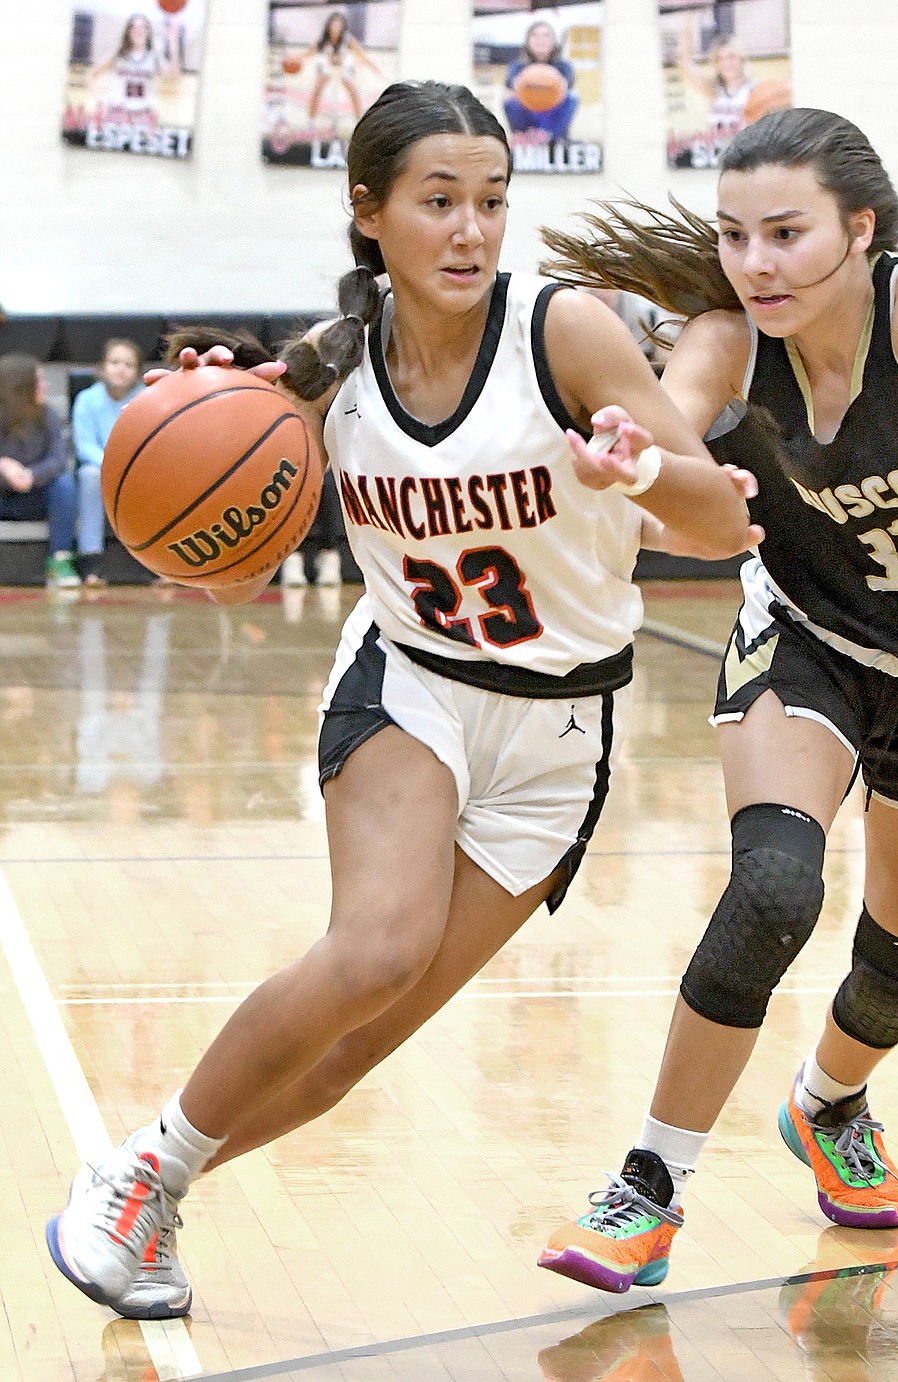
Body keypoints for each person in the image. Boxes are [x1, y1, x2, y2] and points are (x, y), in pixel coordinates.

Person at [44, 79, 759, 1321]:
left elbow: (720, 515)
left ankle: (160, 1186)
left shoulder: (566, 331)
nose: (472, 230)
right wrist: (211, 455)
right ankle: (135, 1170)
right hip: (413, 682)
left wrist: (636, 465)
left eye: (490, 200)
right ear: (369, 212)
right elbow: (239, 571)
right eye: (439, 202)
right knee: (373, 947)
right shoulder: (328, 367)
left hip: (559, 733)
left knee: (344, 1060)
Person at [536, 106, 898, 1292]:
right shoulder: (724, 338)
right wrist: (634, 454)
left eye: (786, 233)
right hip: (804, 640)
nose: (755, 263)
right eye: (736, 236)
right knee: (770, 888)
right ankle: (646, 1186)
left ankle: (829, 1101)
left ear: (858, 229)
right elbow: (678, 452)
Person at [0, 353, 79, 588]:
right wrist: (3, 467)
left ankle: (60, 560)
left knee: (64, 484)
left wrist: (31, 475)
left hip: (33, 496)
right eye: (38, 380)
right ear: (20, 386)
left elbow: (58, 459)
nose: (44, 385)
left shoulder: (47, 415)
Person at [70, 338, 143, 587]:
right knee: (89, 476)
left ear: (137, 372)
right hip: (100, 468)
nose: (121, 368)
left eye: (128, 364)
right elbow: (84, 446)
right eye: (114, 362)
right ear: (102, 367)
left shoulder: (145, 399)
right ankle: (91, 561)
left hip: (138, 469)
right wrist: (112, 467)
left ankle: (157, 562)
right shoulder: (86, 399)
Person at [677, 17, 755, 143]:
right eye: (720, 58)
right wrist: (688, 16)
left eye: (731, 56)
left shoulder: (754, 90)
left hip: (743, 157)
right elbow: (685, 63)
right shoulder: (714, 89)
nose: (726, 63)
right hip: (717, 158)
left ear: (741, 59)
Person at [91, 11, 180, 120]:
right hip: (118, 113)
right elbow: (91, 74)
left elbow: (174, 77)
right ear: (128, 32)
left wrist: (173, 43)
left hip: (144, 114)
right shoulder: (119, 54)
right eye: (134, 27)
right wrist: (100, 101)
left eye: (142, 27)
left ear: (148, 32)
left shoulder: (154, 57)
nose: (138, 30)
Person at [502, 20, 579, 144]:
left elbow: (567, 85)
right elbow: (511, 87)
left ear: (554, 41)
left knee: (572, 96)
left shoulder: (564, 66)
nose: (540, 40)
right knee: (508, 97)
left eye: (546, 35)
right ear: (528, 41)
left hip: (551, 113)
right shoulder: (517, 66)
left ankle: (549, 135)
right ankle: (525, 134)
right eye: (535, 35)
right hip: (528, 111)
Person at [307, 10, 385, 124]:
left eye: (338, 24)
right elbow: (308, 53)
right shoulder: (323, 40)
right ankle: (311, 121)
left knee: (353, 91)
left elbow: (362, 56)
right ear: (329, 25)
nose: (336, 27)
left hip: (343, 67)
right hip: (327, 67)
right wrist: (296, 58)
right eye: (333, 24)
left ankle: (359, 121)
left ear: (343, 26)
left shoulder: (348, 39)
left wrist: (375, 68)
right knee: (317, 89)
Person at [279, 468, 345, 587]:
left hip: (328, 466)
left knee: (330, 484)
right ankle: (293, 556)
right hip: (293, 464)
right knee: (297, 485)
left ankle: (329, 553)